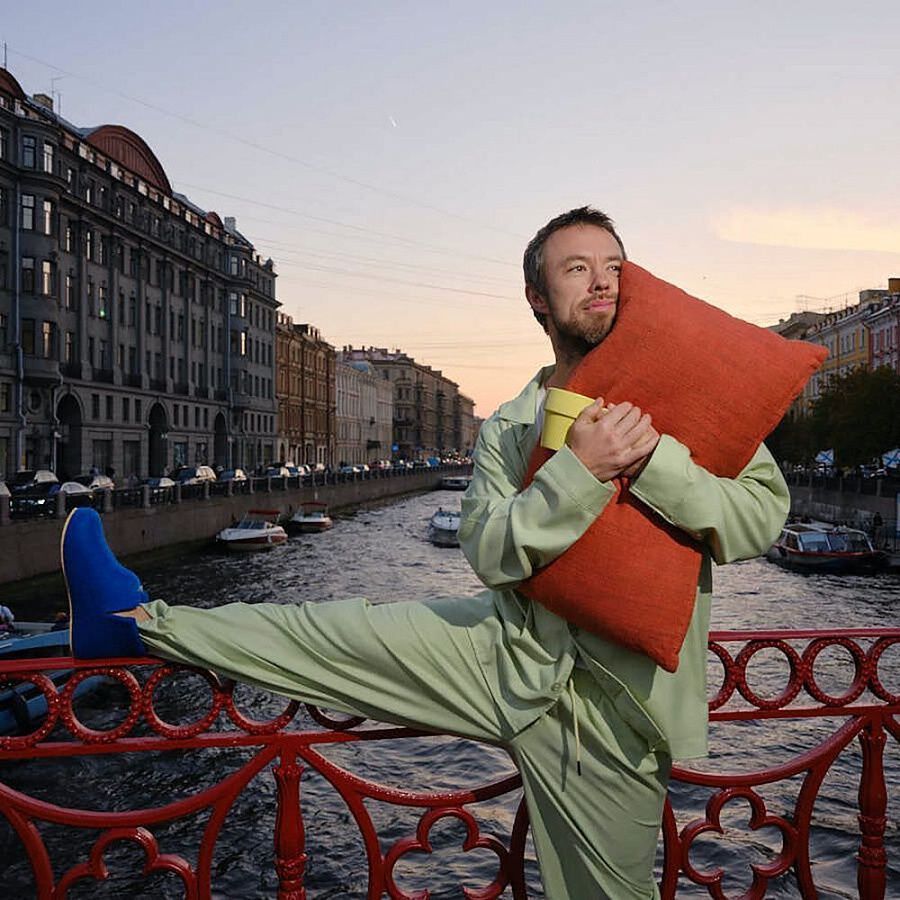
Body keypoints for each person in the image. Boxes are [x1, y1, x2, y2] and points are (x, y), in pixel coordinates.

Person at [61, 206, 789, 899]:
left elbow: (759, 519)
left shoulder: (686, 398)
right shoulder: (510, 425)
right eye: (576, 268)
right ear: (538, 299)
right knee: (327, 631)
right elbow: (491, 554)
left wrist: (651, 458)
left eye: (615, 266)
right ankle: (132, 623)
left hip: (614, 707)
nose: (602, 282)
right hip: (508, 656)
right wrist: (577, 471)